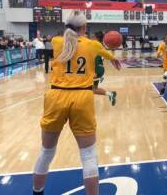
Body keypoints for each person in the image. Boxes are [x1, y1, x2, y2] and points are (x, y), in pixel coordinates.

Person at [32, 10, 121, 195]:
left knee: (46, 152)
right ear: (84, 27)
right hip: (82, 97)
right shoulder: (93, 45)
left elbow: (61, 40)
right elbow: (107, 54)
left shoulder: (57, 42)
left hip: (56, 97)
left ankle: (37, 191)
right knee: (88, 156)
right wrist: (113, 59)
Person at [92, 31, 117, 105]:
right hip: (99, 69)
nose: (91, 38)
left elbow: (96, 59)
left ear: (96, 38)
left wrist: (95, 73)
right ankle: (111, 94)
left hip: (96, 69)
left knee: (88, 88)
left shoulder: (95, 45)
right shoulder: (100, 45)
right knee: (94, 89)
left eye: (93, 36)